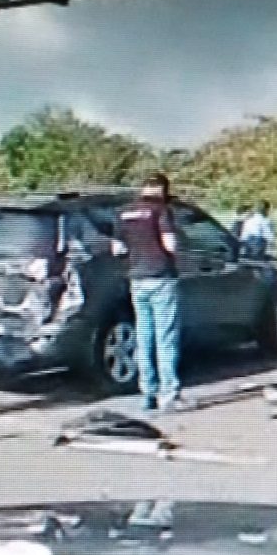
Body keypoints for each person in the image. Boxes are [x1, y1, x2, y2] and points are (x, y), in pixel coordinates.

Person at [113, 172, 184, 413]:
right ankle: (169, 394)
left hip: (137, 279)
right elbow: (170, 245)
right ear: (163, 190)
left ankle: (147, 393)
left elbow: (118, 249)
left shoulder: (123, 213)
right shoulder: (161, 211)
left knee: (144, 338)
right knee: (166, 337)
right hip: (161, 278)